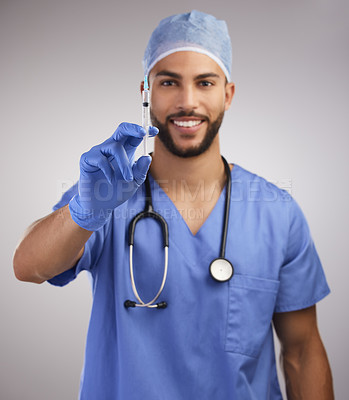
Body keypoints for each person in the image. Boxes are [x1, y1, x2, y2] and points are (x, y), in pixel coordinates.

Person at [13, 10, 334, 400]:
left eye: (205, 82)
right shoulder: (108, 195)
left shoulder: (276, 212)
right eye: (169, 82)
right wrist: (84, 210)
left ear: (227, 94)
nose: (187, 101)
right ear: (145, 91)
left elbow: (301, 352)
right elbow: (27, 267)